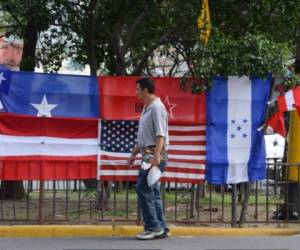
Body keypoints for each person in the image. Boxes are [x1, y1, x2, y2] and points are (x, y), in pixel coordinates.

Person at [127, 77, 170, 240]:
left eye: (137, 89)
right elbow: (143, 138)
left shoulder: (157, 108)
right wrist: (133, 155)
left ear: (145, 90)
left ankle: (153, 228)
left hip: (154, 156)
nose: (136, 92)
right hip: (148, 155)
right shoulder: (147, 108)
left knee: (142, 188)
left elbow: (160, 134)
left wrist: (157, 156)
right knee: (152, 190)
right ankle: (161, 227)